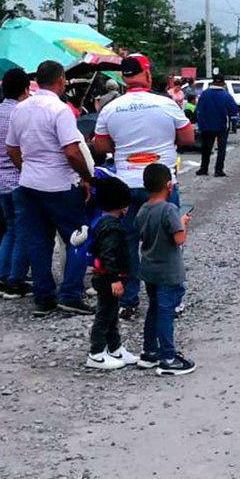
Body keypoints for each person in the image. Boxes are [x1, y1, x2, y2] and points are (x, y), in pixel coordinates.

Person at [92, 53, 195, 320]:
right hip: (161, 184)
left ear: (123, 78)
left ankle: (128, 300)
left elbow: (101, 146)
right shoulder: (166, 104)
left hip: (126, 185)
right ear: (147, 75)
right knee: (170, 243)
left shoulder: (110, 108)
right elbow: (187, 137)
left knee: (127, 243)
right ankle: (171, 299)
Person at [6, 60, 96, 317]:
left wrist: (27, 168)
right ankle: (70, 294)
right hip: (60, 185)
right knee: (78, 238)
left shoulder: (20, 109)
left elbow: (12, 148)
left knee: (38, 241)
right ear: (61, 80)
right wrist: (86, 176)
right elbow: (71, 151)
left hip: (29, 185)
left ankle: (43, 298)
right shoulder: (60, 110)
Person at [136, 163, 195, 375]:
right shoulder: (169, 210)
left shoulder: (143, 209)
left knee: (154, 308)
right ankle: (168, 357)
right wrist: (183, 222)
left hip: (149, 268)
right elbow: (179, 239)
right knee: (165, 312)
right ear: (169, 185)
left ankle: (149, 351)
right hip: (168, 270)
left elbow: (140, 235)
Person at [0, 68, 32, 298]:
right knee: (23, 231)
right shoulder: (23, 112)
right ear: (26, 89)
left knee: (11, 229)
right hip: (19, 178)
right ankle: (16, 280)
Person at [84, 174, 139, 370]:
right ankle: (96, 352)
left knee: (111, 313)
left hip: (105, 275)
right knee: (105, 314)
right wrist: (115, 278)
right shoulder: (112, 229)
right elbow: (109, 254)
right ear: (122, 205)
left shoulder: (101, 222)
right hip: (109, 277)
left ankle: (114, 348)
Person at [195, 67, 237, 177]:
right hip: (222, 126)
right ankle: (218, 170)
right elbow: (233, 110)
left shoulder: (204, 94)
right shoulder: (226, 95)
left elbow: (198, 109)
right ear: (223, 83)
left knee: (206, 148)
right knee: (221, 149)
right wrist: (234, 125)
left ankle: (204, 168)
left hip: (206, 126)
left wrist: (200, 123)